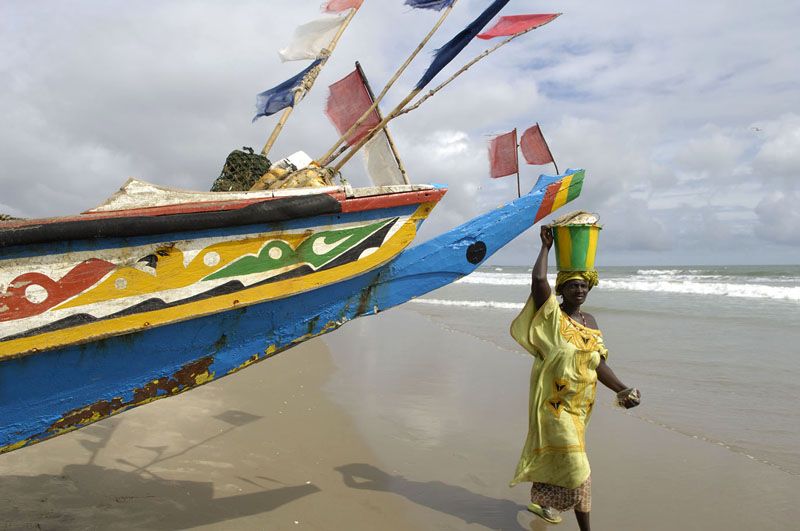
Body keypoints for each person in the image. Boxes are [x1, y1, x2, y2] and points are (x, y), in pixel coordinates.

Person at [509, 226, 640, 531]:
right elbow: (538, 281)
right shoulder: (553, 316)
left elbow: (598, 362)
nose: (579, 290)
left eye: (583, 285)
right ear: (562, 289)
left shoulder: (590, 322)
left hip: (580, 409)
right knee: (580, 468)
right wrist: (545, 247)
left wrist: (622, 389)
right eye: (572, 286)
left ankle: (544, 502)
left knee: (564, 459)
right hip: (554, 406)